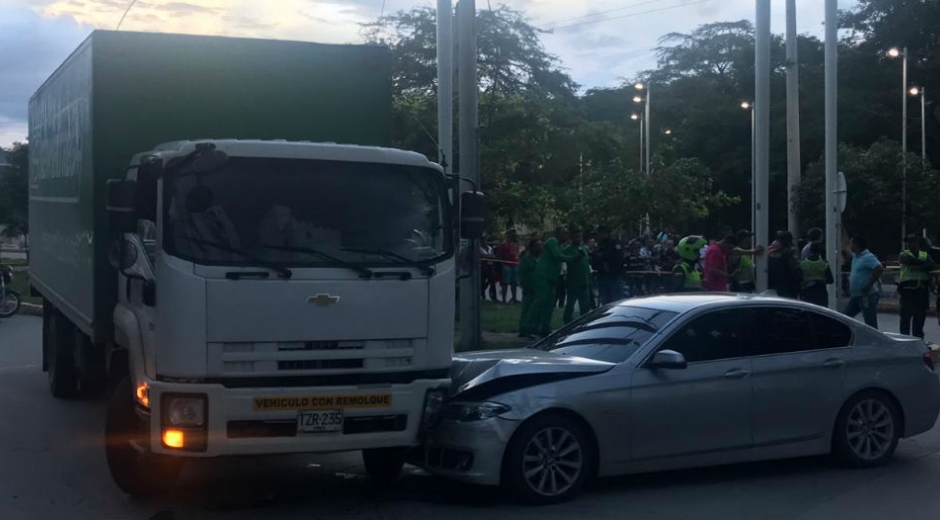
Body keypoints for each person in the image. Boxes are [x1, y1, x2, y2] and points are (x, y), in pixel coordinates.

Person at [523, 227, 582, 337]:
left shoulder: (559, 245)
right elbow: (557, 256)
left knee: (549, 305)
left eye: (567, 234)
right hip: (543, 277)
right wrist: (572, 258)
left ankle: (545, 328)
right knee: (539, 302)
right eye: (564, 234)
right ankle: (528, 326)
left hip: (550, 278)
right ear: (557, 234)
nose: (567, 236)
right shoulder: (552, 241)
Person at [842, 235, 884, 328]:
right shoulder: (856, 256)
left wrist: (869, 284)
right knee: (845, 317)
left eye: (851, 243)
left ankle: (874, 341)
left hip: (867, 296)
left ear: (856, 244)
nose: (850, 245)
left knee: (870, 322)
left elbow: (879, 268)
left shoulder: (867, 257)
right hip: (856, 295)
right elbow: (846, 253)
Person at [898, 234, 934, 339]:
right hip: (907, 289)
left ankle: (918, 339)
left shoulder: (924, 255)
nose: (910, 244)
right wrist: (923, 265)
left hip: (921, 289)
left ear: (918, 243)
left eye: (913, 241)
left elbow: (931, 266)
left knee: (920, 316)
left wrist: (922, 265)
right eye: (908, 242)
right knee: (905, 316)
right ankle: (904, 339)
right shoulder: (903, 254)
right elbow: (909, 262)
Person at [563, 228, 592, 323]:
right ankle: (567, 323)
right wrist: (579, 254)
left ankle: (584, 324)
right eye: (576, 237)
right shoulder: (568, 249)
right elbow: (571, 261)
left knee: (585, 307)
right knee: (570, 305)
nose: (578, 239)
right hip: (573, 282)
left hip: (584, 281)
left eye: (580, 236)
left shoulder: (583, 247)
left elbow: (586, 264)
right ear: (571, 238)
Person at [592, 225, 624, 305]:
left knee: (616, 303)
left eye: (598, 234)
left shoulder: (614, 243)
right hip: (603, 276)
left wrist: (603, 256)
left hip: (614, 276)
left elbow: (618, 258)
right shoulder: (600, 245)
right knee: (605, 303)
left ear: (604, 233)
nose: (597, 236)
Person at [517, 238, 542, 338]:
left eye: (541, 245)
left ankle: (534, 328)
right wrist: (523, 283)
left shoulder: (542, 258)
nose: (540, 248)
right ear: (531, 247)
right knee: (527, 309)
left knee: (537, 310)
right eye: (537, 246)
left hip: (539, 287)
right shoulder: (526, 259)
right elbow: (521, 273)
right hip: (529, 287)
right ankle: (524, 329)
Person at [767, 230, 801, 298]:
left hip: (774, 285)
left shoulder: (771, 253)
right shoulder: (787, 253)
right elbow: (793, 268)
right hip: (788, 286)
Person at [799, 241, 834, 307]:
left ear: (809, 250)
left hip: (808, 292)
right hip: (821, 292)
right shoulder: (824, 264)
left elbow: (799, 279)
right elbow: (830, 280)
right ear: (820, 251)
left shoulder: (802, 264)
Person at [498, 229, 521, 304]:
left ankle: (514, 298)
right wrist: (503, 263)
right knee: (505, 283)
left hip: (515, 264)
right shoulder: (504, 244)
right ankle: (504, 299)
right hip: (506, 265)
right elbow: (500, 254)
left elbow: (517, 253)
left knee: (514, 283)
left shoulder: (515, 244)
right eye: (513, 234)